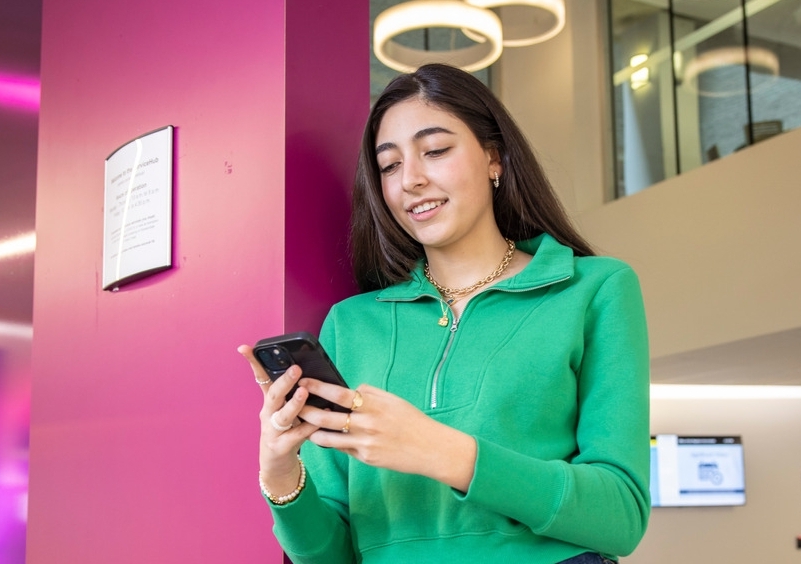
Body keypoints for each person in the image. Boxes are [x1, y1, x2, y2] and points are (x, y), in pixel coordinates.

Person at [239, 63, 650, 564]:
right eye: (389, 166)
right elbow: (330, 557)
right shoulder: (350, 324)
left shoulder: (595, 289)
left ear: (493, 158)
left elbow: (622, 516)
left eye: (435, 150)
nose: (410, 180)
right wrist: (280, 474)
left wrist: (439, 451)